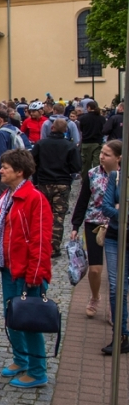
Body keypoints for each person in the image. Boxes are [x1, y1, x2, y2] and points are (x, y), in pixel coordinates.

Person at [0, 149, 53, 386]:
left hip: (27, 271)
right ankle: (21, 359)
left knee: (30, 322)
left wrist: (35, 273)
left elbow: (40, 239)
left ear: (19, 171)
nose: (1, 170)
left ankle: (37, 372)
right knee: (12, 316)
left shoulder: (34, 198)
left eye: (5, 167)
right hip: (9, 267)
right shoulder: (8, 196)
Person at [72, 140, 120, 319]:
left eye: (107, 154)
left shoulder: (123, 177)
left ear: (118, 158)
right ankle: (94, 296)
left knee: (116, 273)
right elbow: (83, 200)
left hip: (117, 225)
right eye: (101, 153)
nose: (101, 157)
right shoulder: (93, 174)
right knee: (95, 269)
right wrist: (76, 225)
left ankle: (114, 305)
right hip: (94, 224)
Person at [32, 118, 81, 252]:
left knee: (42, 216)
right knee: (58, 217)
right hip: (62, 183)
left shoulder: (41, 144)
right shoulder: (69, 146)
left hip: (43, 183)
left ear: (51, 128)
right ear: (66, 130)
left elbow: (32, 162)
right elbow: (76, 167)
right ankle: (53, 247)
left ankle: (40, 244)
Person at [101, 158, 129, 355]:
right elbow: (107, 208)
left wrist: (121, 209)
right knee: (116, 287)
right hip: (115, 237)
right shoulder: (116, 176)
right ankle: (120, 334)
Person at [77, 99, 106, 175]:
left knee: (86, 164)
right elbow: (104, 130)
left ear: (88, 107)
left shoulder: (83, 118)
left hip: (86, 143)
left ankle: (85, 181)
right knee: (97, 164)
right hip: (98, 142)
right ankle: (97, 179)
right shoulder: (102, 118)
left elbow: (81, 129)